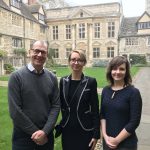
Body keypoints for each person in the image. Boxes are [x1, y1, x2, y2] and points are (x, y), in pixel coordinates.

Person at [8, 40, 60, 150]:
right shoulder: (16, 77)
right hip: (23, 138)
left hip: (46, 137)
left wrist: (44, 132)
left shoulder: (52, 78)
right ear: (29, 52)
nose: (39, 55)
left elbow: (55, 106)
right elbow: (15, 111)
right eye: (36, 51)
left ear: (46, 54)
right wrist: (36, 133)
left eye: (43, 52)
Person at [55, 49, 100, 150]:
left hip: (85, 129)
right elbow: (62, 106)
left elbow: (95, 109)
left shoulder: (91, 82)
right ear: (69, 62)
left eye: (79, 60)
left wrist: (96, 134)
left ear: (84, 62)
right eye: (73, 59)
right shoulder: (63, 81)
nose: (76, 62)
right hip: (67, 130)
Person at [100, 56, 142, 150]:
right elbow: (102, 115)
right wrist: (105, 136)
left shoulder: (133, 92)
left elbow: (134, 122)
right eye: (114, 69)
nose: (117, 72)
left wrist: (117, 140)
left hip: (126, 144)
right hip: (107, 142)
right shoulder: (105, 90)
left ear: (126, 71)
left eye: (122, 69)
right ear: (110, 71)